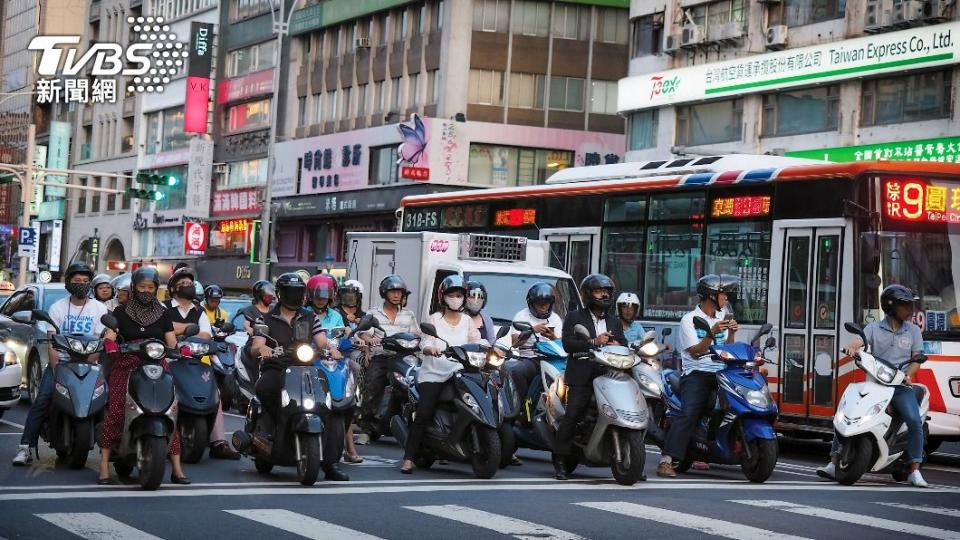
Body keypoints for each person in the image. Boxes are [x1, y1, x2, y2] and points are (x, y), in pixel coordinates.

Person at [816, 284, 929, 488]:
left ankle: (914, 470)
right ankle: (833, 462)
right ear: (891, 306)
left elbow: (916, 360)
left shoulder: (913, 331)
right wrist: (851, 348)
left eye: (911, 305)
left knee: (913, 419)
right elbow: (859, 341)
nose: (911, 310)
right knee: (848, 412)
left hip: (899, 386)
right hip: (875, 381)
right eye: (906, 305)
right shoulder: (874, 328)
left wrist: (907, 375)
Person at [251, 273, 348, 481]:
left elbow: (321, 341)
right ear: (280, 293)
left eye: (298, 292)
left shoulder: (309, 316)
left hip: (305, 369)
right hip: (276, 368)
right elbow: (256, 344)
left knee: (326, 405)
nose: (294, 296)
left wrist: (332, 349)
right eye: (290, 291)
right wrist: (263, 349)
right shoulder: (266, 317)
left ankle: (330, 464)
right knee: (265, 388)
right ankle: (270, 434)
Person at [98, 267, 190, 485]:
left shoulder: (163, 313)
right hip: (127, 363)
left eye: (151, 287)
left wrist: (182, 349)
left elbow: (171, 342)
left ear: (157, 289)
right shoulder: (121, 312)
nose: (146, 291)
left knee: (171, 410)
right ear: (133, 288)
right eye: (142, 287)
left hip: (157, 364)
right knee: (117, 408)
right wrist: (110, 344)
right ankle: (103, 466)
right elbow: (111, 335)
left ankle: (177, 469)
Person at [12, 263, 110, 466]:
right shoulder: (57, 308)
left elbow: (101, 340)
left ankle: (111, 449)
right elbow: (52, 342)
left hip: (89, 364)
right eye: (76, 281)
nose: (81, 284)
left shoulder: (99, 309)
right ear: (68, 283)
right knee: (43, 398)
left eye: (85, 281)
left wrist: (91, 362)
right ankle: (25, 447)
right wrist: (55, 369)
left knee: (106, 399)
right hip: (62, 364)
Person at [656, 274, 740, 478]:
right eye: (723, 295)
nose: (726, 299)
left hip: (722, 372)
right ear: (711, 296)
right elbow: (694, 351)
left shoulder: (723, 316)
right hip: (697, 373)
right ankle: (666, 460)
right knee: (689, 412)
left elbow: (727, 349)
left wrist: (731, 333)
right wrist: (711, 334)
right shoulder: (689, 320)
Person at [400, 276, 484, 474]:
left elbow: (478, 341)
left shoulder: (467, 321)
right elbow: (425, 342)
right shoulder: (434, 320)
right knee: (424, 412)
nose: (456, 298)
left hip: (460, 371)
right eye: (451, 295)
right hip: (434, 372)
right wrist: (430, 349)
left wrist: (492, 349)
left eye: (459, 295)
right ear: (443, 297)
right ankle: (408, 458)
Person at [553, 273, 625, 480]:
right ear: (587, 294)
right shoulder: (575, 317)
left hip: (609, 374)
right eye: (599, 291)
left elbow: (624, 344)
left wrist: (618, 345)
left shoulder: (614, 321)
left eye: (607, 291)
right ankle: (559, 459)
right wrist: (594, 341)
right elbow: (568, 344)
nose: (603, 295)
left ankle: (631, 459)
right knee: (574, 413)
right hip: (583, 375)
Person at [165, 268, 240, 460]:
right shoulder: (164, 308)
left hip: (195, 360)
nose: (187, 287)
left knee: (214, 393)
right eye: (182, 284)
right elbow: (163, 330)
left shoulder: (199, 311)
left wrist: (178, 331)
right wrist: (188, 330)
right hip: (168, 359)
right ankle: (164, 436)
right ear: (173, 288)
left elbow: (206, 335)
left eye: (190, 284)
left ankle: (218, 442)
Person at [358, 275, 419, 434]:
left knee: (413, 389)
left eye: (399, 292)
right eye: (393, 292)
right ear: (384, 293)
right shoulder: (374, 313)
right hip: (381, 357)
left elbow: (417, 335)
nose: (396, 295)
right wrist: (370, 340)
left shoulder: (409, 315)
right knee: (372, 387)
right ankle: (366, 429)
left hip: (403, 359)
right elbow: (365, 333)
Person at [336, 279, 366, 464]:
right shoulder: (335, 314)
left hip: (352, 359)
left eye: (353, 295)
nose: (350, 298)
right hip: (333, 359)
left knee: (347, 405)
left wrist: (367, 340)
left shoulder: (364, 316)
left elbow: (369, 333)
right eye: (346, 294)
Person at [465, 280, 496, 345]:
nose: (476, 300)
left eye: (479, 297)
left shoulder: (487, 320)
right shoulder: (458, 317)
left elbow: (492, 343)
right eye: (472, 297)